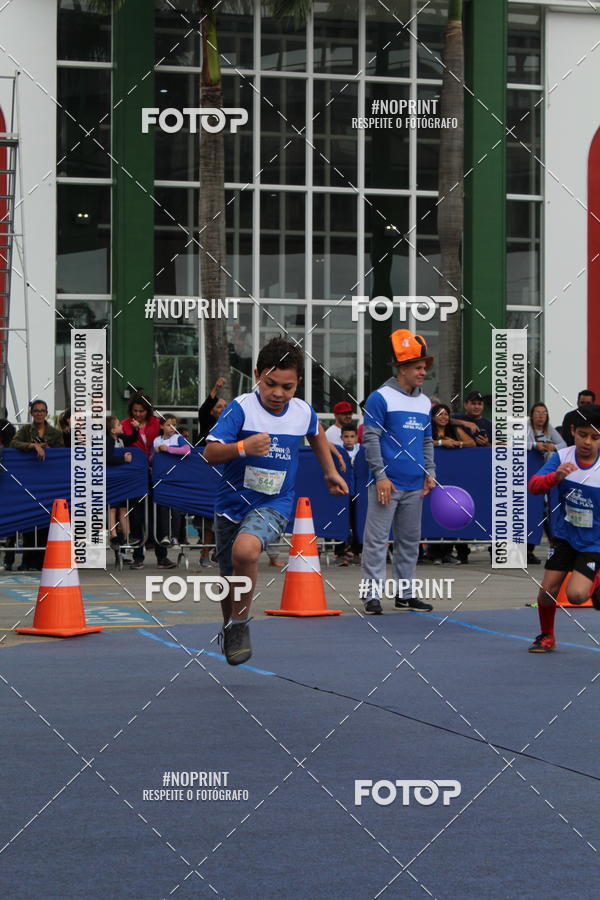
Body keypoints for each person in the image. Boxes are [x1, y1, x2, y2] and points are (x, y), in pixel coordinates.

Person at [203, 336, 348, 665]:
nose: (279, 393)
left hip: (275, 502)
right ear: (257, 375)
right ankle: (232, 624)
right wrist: (243, 447)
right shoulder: (241, 408)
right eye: (271, 384)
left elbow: (316, 431)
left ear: (298, 383)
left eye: (288, 386)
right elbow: (210, 454)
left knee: (246, 551)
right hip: (230, 505)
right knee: (230, 578)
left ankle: (240, 622)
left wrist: (328, 471)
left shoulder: (301, 411)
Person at [360, 329, 436, 614]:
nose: (423, 372)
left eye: (424, 368)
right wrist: (380, 476)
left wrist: (430, 471)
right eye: (418, 367)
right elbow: (371, 438)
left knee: (409, 542)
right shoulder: (380, 398)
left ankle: (405, 593)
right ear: (402, 369)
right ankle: (371, 596)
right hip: (387, 484)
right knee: (377, 541)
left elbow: (426, 440)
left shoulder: (424, 402)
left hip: (414, 484)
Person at [527, 403, 600, 653]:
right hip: (565, 535)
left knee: (578, 595)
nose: (587, 442)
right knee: (547, 591)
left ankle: (596, 579)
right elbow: (534, 486)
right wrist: (555, 477)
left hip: (595, 541)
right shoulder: (562, 457)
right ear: (572, 431)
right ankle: (547, 636)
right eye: (582, 435)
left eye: (595, 437)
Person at [120, 392, 175, 569]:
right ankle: (138, 557)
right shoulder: (124, 424)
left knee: (157, 513)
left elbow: (168, 438)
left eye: (142, 411)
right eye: (135, 410)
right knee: (136, 515)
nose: (138, 414)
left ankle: (162, 557)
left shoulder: (156, 423)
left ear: (148, 410)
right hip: (135, 476)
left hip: (156, 473)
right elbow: (123, 443)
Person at [428, 404, 475, 565]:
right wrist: (441, 443)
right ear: (433, 417)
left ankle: (448, 552)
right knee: (434, 509)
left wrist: (457, 443)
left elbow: (471, 443)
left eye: (446, 414)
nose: (444, 417)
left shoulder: (454, 430)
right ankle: (434, 553)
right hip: (434, 476)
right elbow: (422, 444)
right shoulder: (428, 430)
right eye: (440, 414)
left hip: (453, 477)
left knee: (451, 509)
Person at [526, 402, 566, 564]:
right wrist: (536, 446)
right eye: (537, 413)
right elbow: (515, 442)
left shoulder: (549, 429)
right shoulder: (526, 428)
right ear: (532, 415)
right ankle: (528, 549)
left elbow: (563, 445)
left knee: (548, 510)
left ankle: (554, 543)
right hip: (529, 476)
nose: (541, 416)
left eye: (544, 413)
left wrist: (552, 446)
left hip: (549, 477)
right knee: (534, 510)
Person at [152, 414, 190, 546]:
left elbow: (187, 450)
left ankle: (175, 536)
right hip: (162, 479)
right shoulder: (156, 440)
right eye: (168, 424)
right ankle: (165, 535)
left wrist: (168, 449)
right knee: (163, 509)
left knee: (175, 510)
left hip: (176, 478)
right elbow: (151, 460)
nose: (172, 427)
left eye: (174, 424)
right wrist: (155, 453)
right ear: (161, 426)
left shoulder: (178, 438)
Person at [106, 415, 136, 548]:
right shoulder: (108, 441)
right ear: (112, 430)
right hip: (111, 480)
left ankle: (127, 534)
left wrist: (136, 429)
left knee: (124, 508)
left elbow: (132, 439)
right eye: (119, 425)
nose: (122, 426)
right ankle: (113, 535)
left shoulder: (120, 438)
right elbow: (107, 458)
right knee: (112, 508)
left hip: (122, 480)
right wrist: (122, 459)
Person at [198, 377, 228, 445]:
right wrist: (216, 388)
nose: (223, 409)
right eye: (219, 407)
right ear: (211, 411)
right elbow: (205, 408)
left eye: (225, 406)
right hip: (203, 452)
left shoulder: (229, 423)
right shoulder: (207, 421)